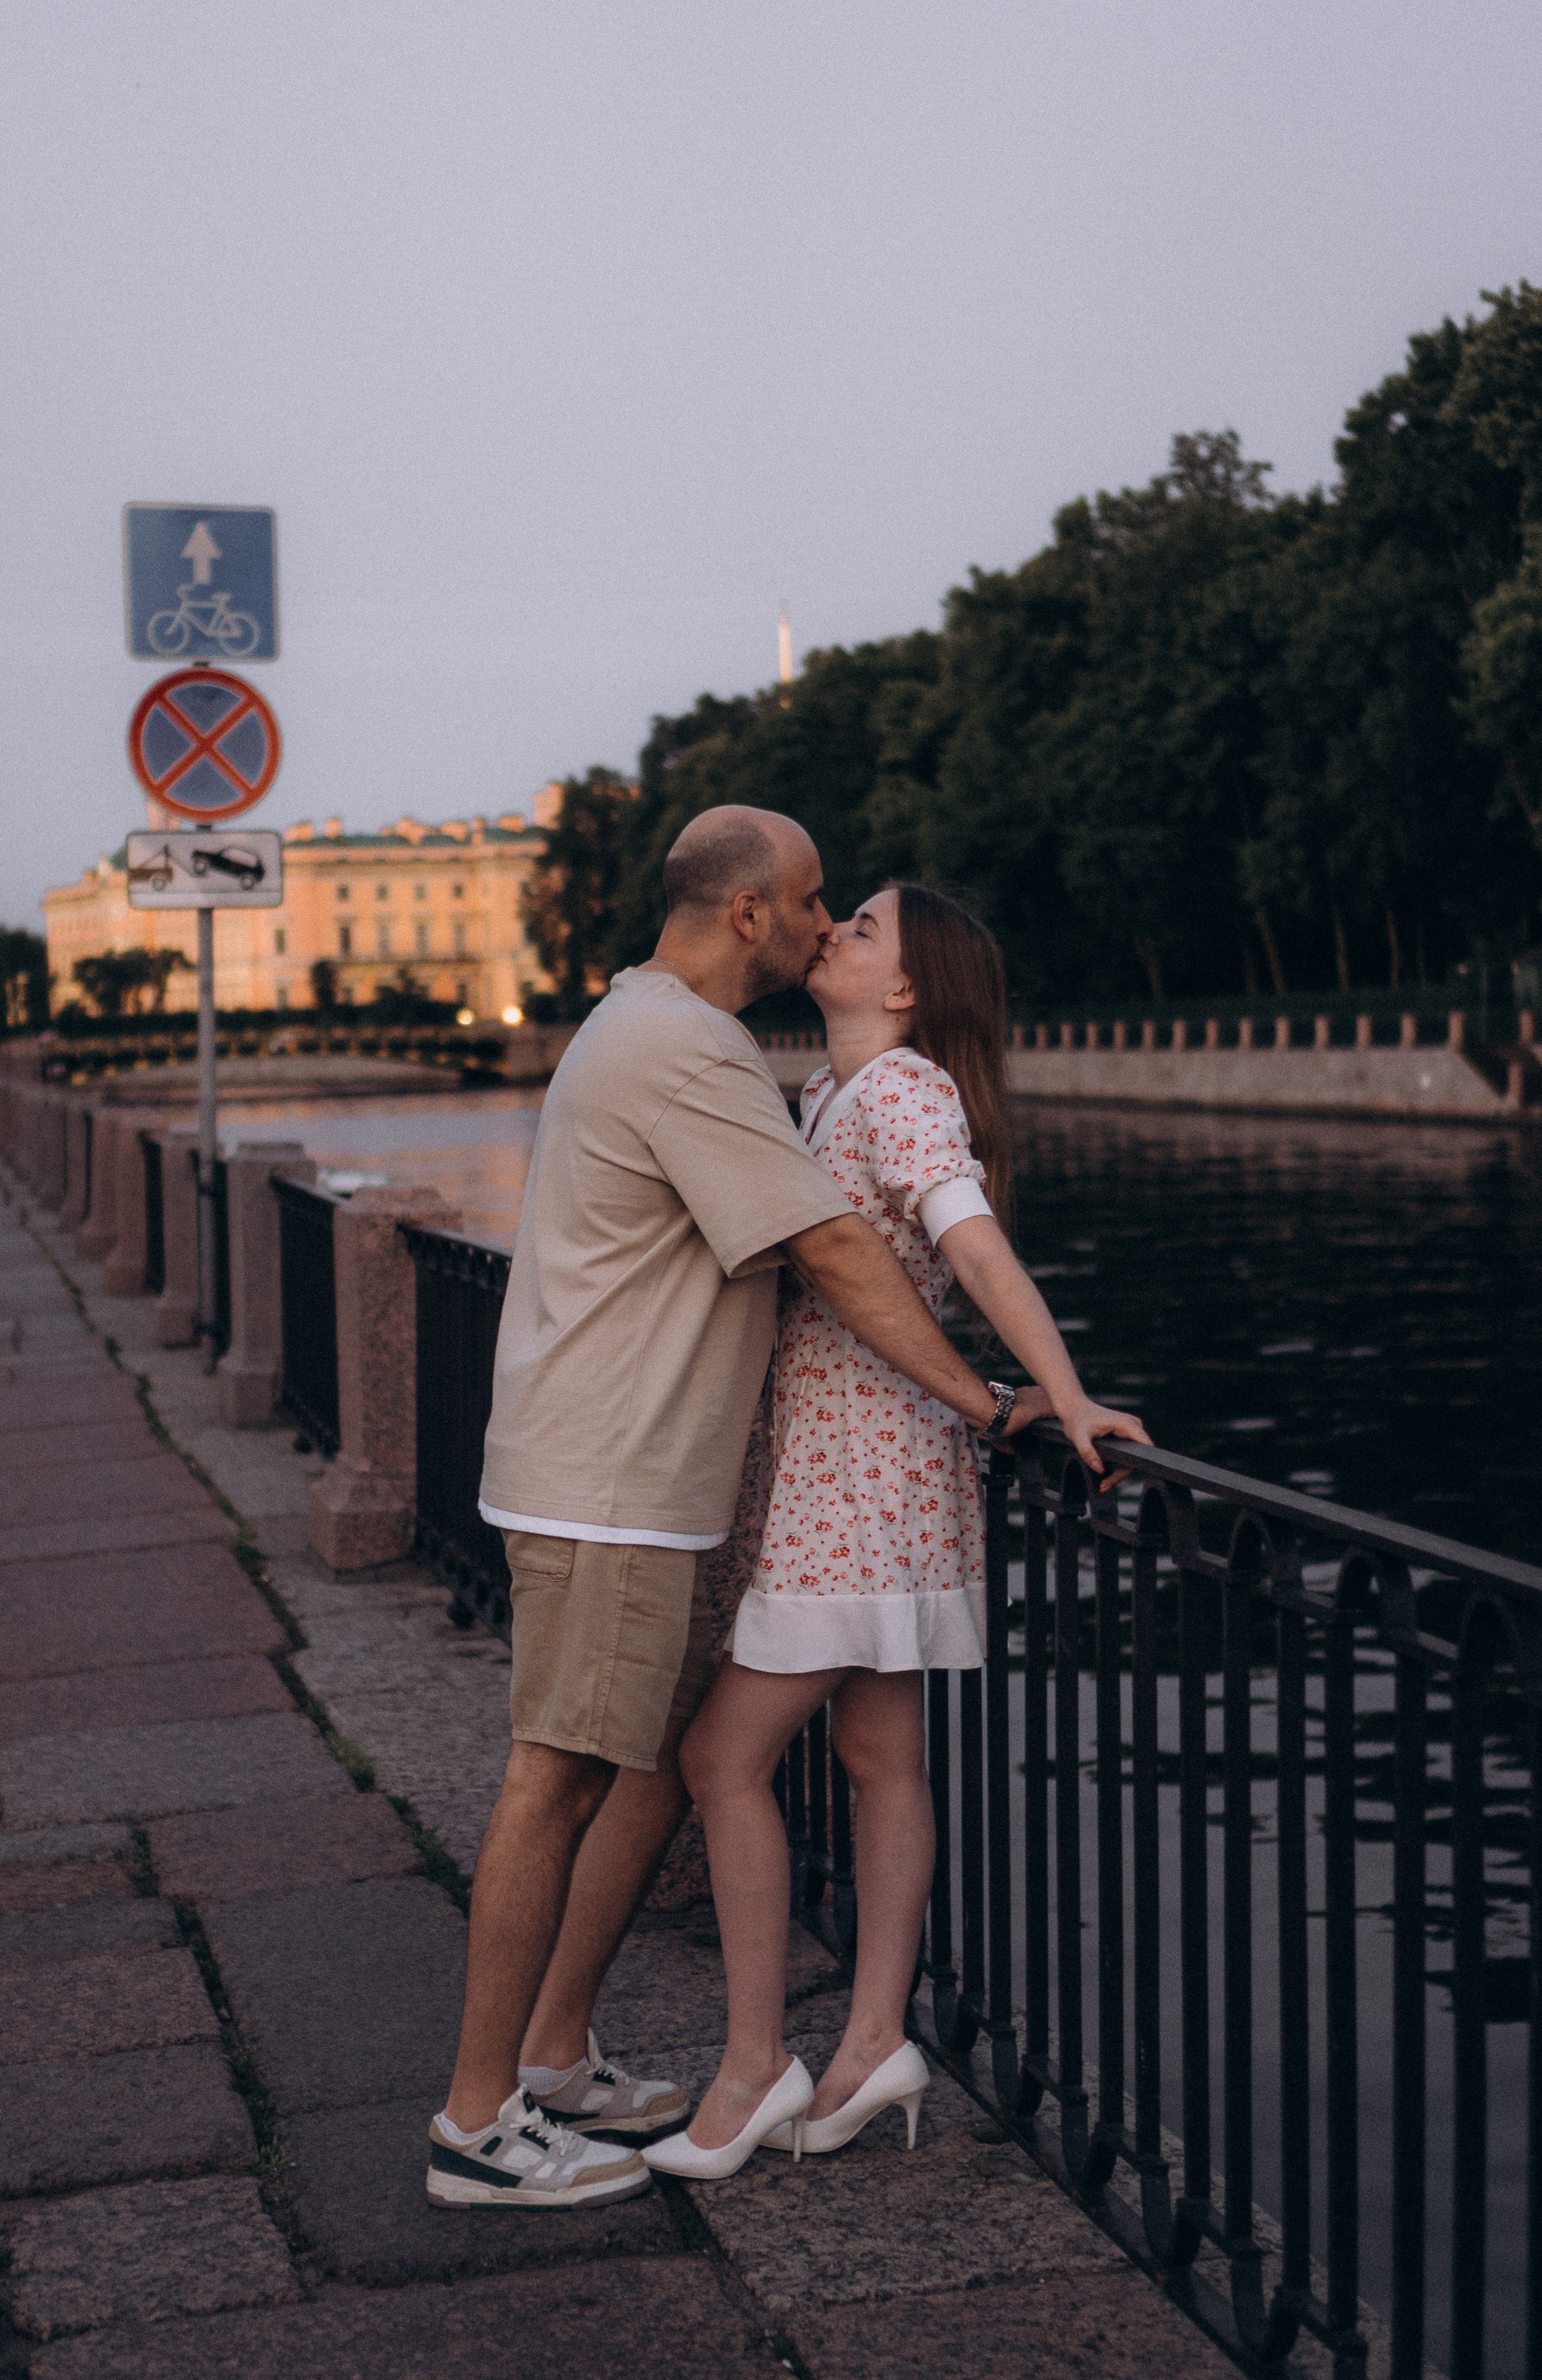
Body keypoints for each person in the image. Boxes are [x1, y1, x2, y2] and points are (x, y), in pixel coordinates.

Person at [428, 813, 1062, 2211]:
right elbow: (832, 1245)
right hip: (614, 1479)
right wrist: (988, 1401)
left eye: (854, 914)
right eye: (813, 901)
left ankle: (554, 2052)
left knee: (659, 1763)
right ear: (747, 916)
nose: (826, 920)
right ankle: (476, 2126)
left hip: (662, 1476)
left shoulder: (660, 1030)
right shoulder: (690, 1051)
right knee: (562, 1772)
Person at [646, 883, 1150, 2180]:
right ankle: (872, 2039)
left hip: (858, 1483)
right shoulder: (826, 1091)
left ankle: (755, 2065)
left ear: (910, 990)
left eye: (861, 928)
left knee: (718, 1758)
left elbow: (971, 1250)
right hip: (860, 1471)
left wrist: (1067, 1389)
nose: (833, 932)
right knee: (878, 1755)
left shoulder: (902, 1091)